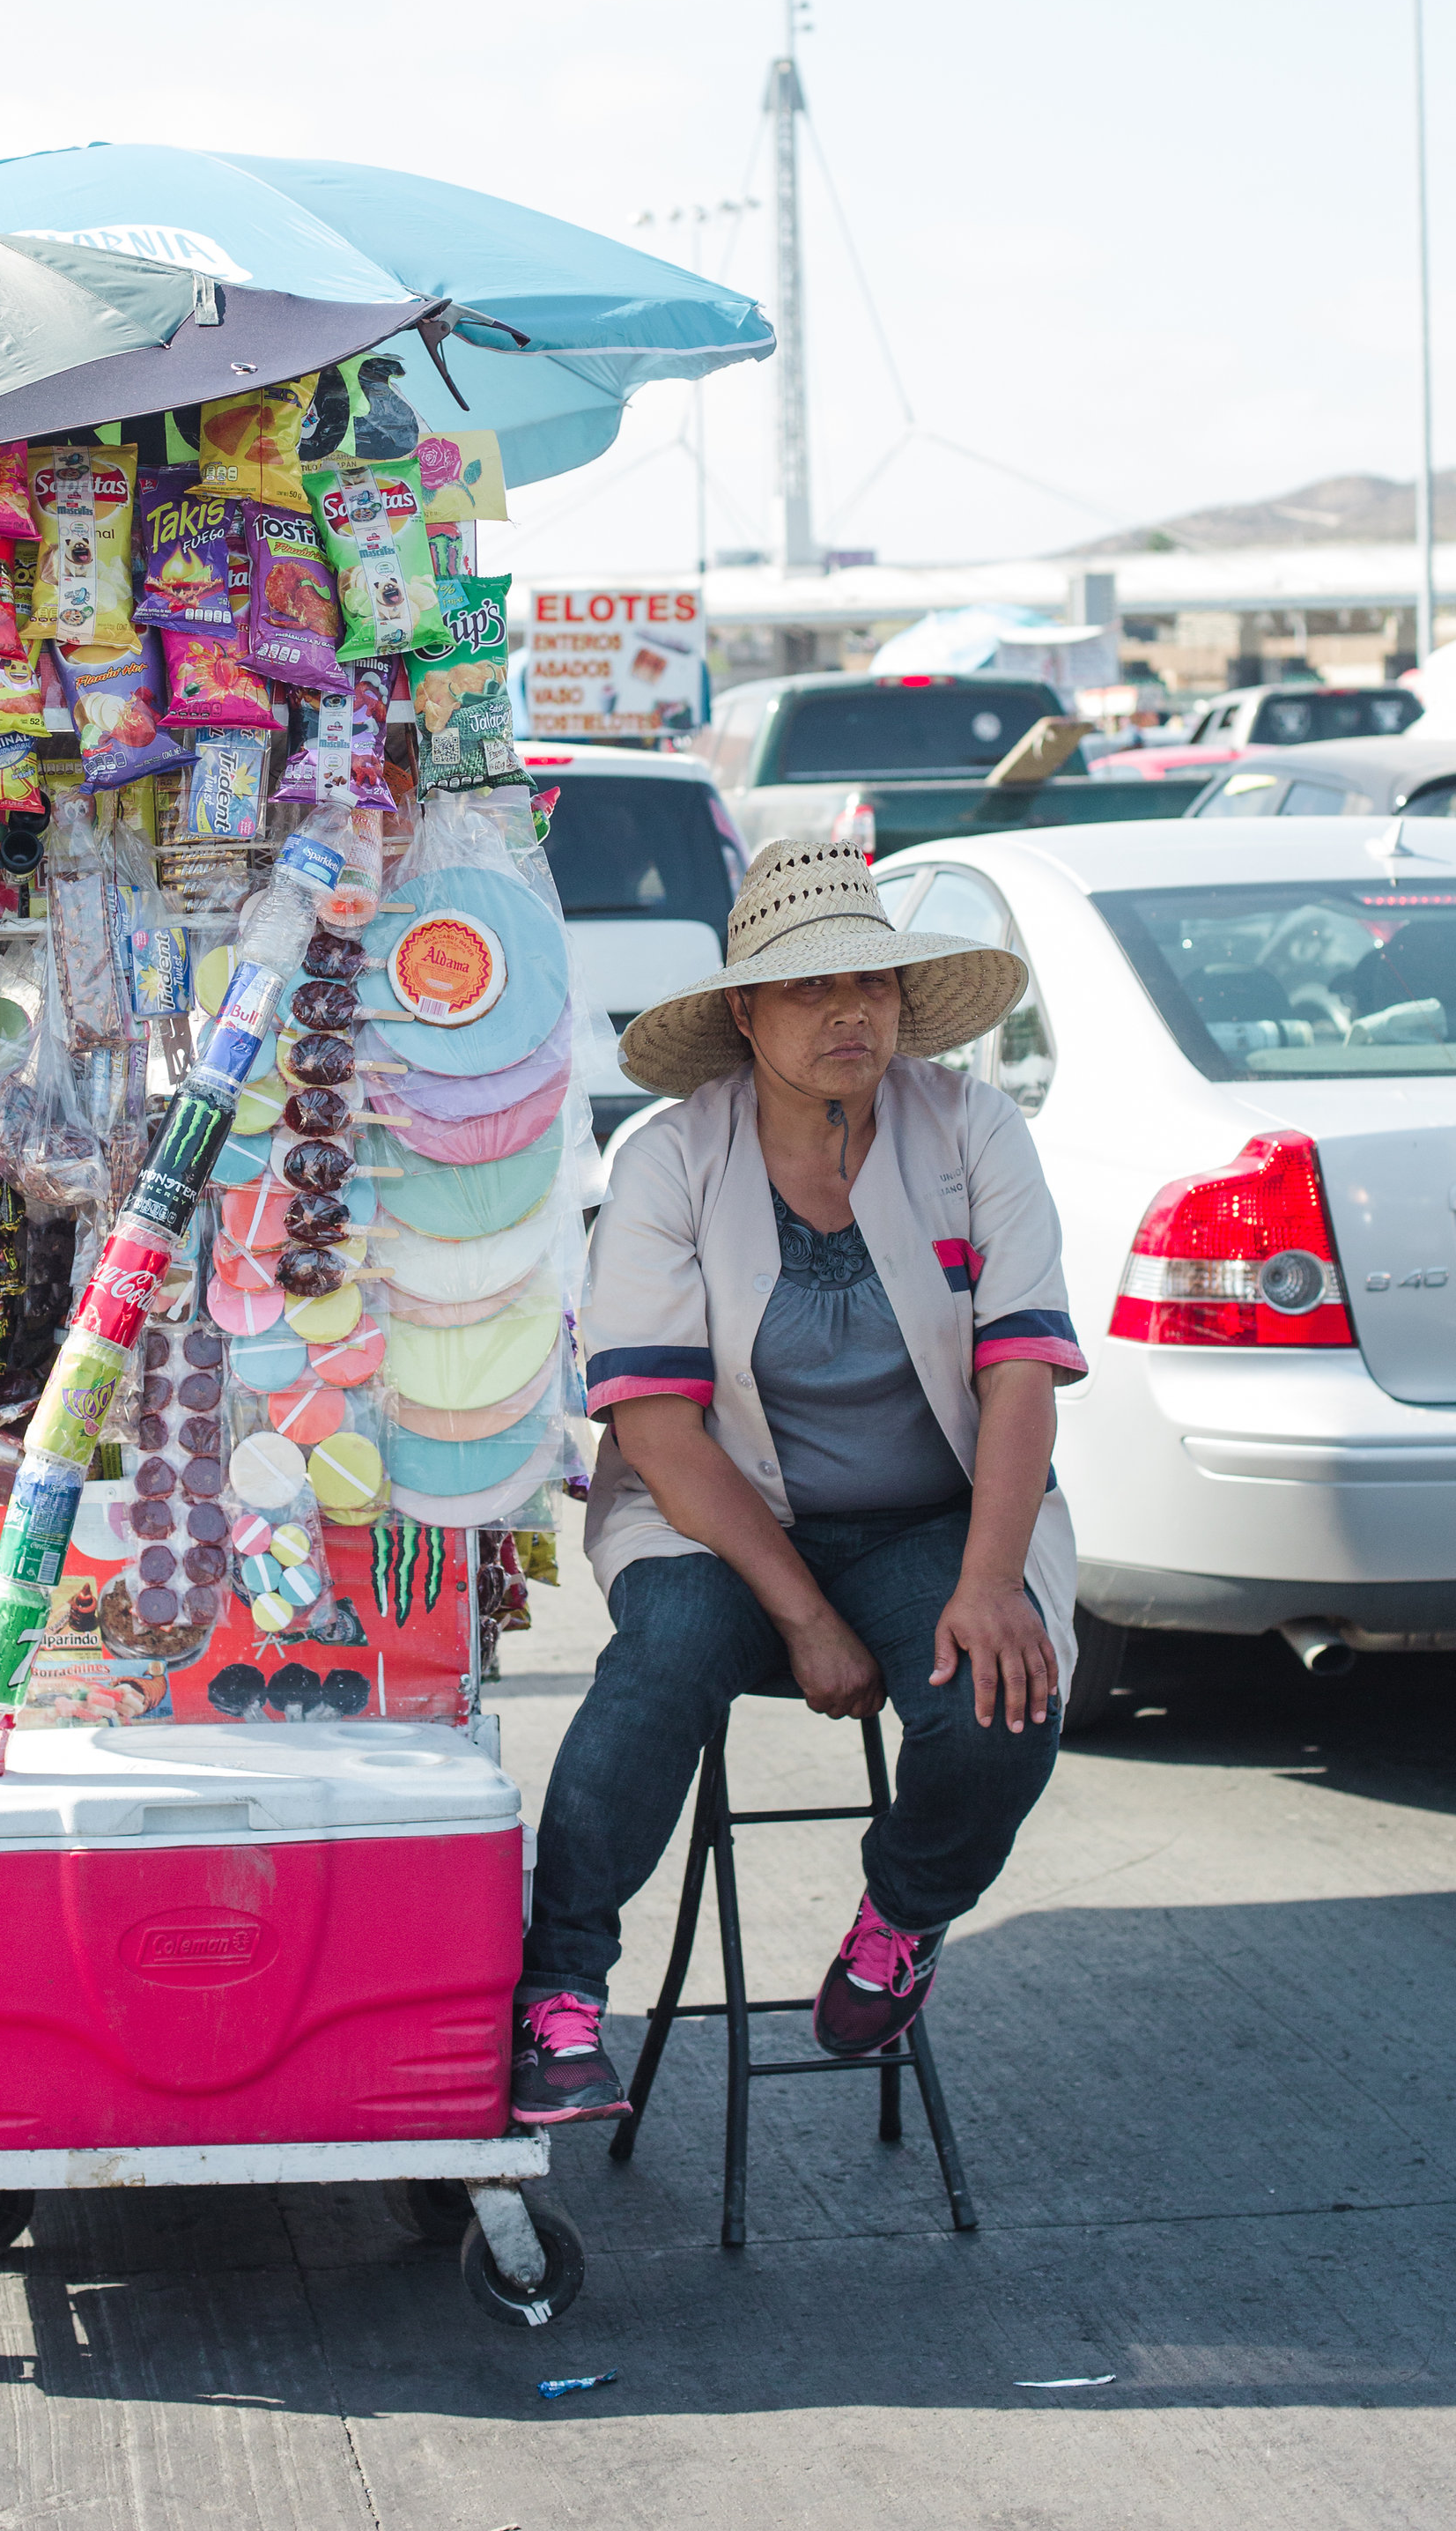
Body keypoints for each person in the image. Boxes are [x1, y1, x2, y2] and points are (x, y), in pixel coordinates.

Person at [511, 836, 1083, 2127]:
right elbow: (653, 1426)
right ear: (744, 1012)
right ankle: (556, 1993)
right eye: (812, 989)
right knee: (662, 1661)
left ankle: (903, 1915)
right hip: (715, 1523)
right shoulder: (670, 1156)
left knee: (1001, 1697)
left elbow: (1021, 1376)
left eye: (872, 984)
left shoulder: (970, 1126)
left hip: (921, 1520)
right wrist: (806, 1616)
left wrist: (992, 1583)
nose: (851, 1014)